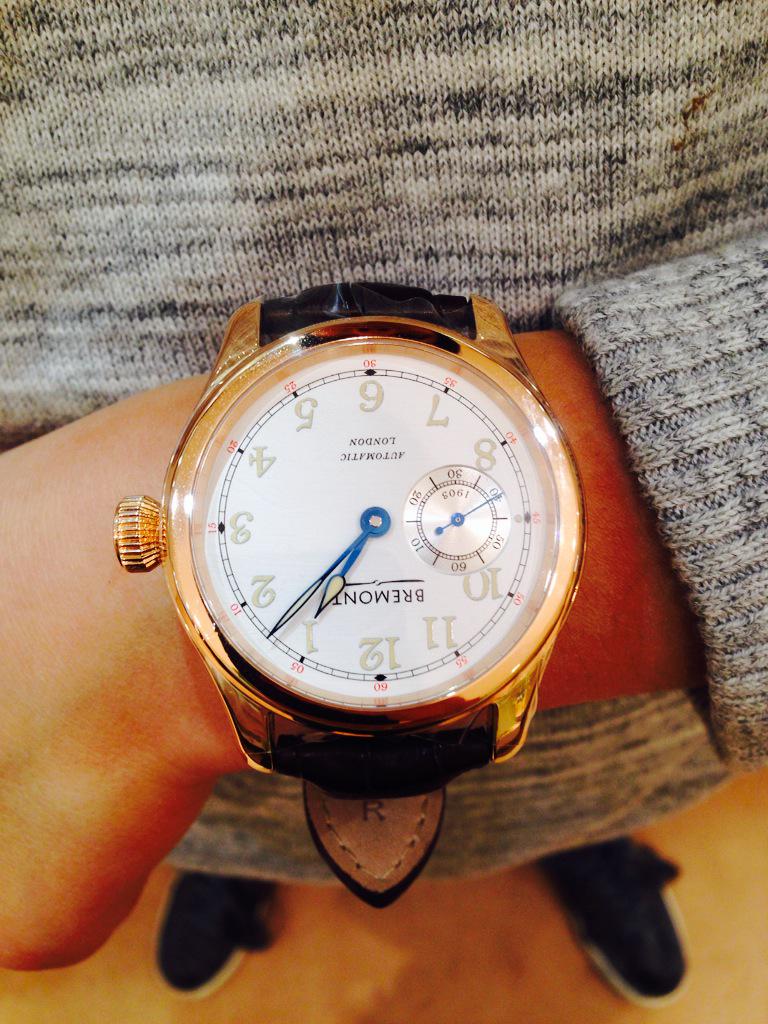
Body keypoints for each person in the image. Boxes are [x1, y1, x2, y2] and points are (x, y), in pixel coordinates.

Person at [1, 0, 766, 1009]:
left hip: (622, 717)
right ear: (151, 536)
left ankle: (596, 846)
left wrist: (144, 672)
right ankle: (232, 872)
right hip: (156, 750)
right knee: (225, 833)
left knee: (595, 798)